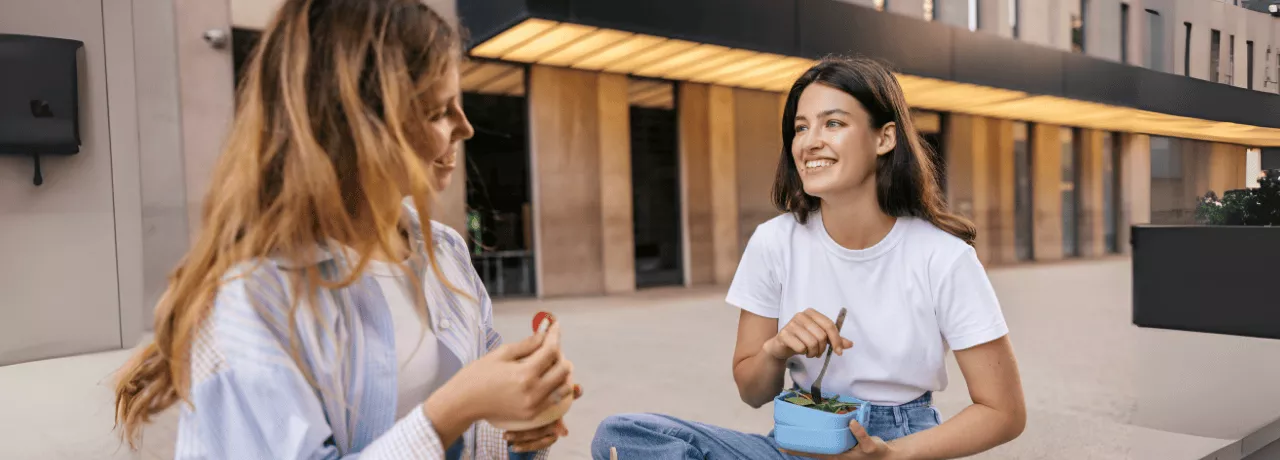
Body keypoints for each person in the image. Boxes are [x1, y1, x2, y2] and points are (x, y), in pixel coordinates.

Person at [111, 1, 578, 458]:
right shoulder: (254, 296)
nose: (466, 127)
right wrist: (454, 409)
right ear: (356, 127)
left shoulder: (444, 249)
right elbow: (458, 410)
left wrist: (523, 424)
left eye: (460, 103)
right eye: (438, 111)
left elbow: (483, 428)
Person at [591, 56, 1025, 459]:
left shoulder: (942, 257)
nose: (810, 143)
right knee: (622, 435)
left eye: (833, 123)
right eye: (800, 128)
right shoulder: (773, 243)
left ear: (884, 137)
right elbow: (752, 390)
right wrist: (776, 349)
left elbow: (1003, 411)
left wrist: (895, 456)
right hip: (796, 442)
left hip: (898, 444)